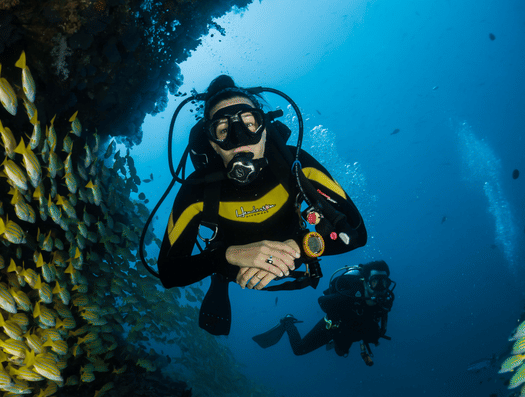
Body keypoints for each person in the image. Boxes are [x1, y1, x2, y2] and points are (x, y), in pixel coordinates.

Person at [156, 75, 367, 335]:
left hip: (296, 250)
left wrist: (300, 248)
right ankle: (220, 277)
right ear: (212, 143)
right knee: (220, 268)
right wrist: (227, 256)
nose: (238, 139)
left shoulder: (297, 165)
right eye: (223, 130)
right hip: (230, 265)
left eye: (249, 123)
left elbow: (357, 232)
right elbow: (169, 272)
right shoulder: (197, 189)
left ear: (264, 128)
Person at [252, 261, 395, 366]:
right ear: (365, 282)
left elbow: (379, 325)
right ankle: (288, 321)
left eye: (385, 283)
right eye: (376, 282)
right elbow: (322, 301)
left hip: (353, 331)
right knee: (299, 350)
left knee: (341, 352)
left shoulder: (384, 302)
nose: (381, 288)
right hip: (333, 327)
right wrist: (342, 312)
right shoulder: (351, 294)